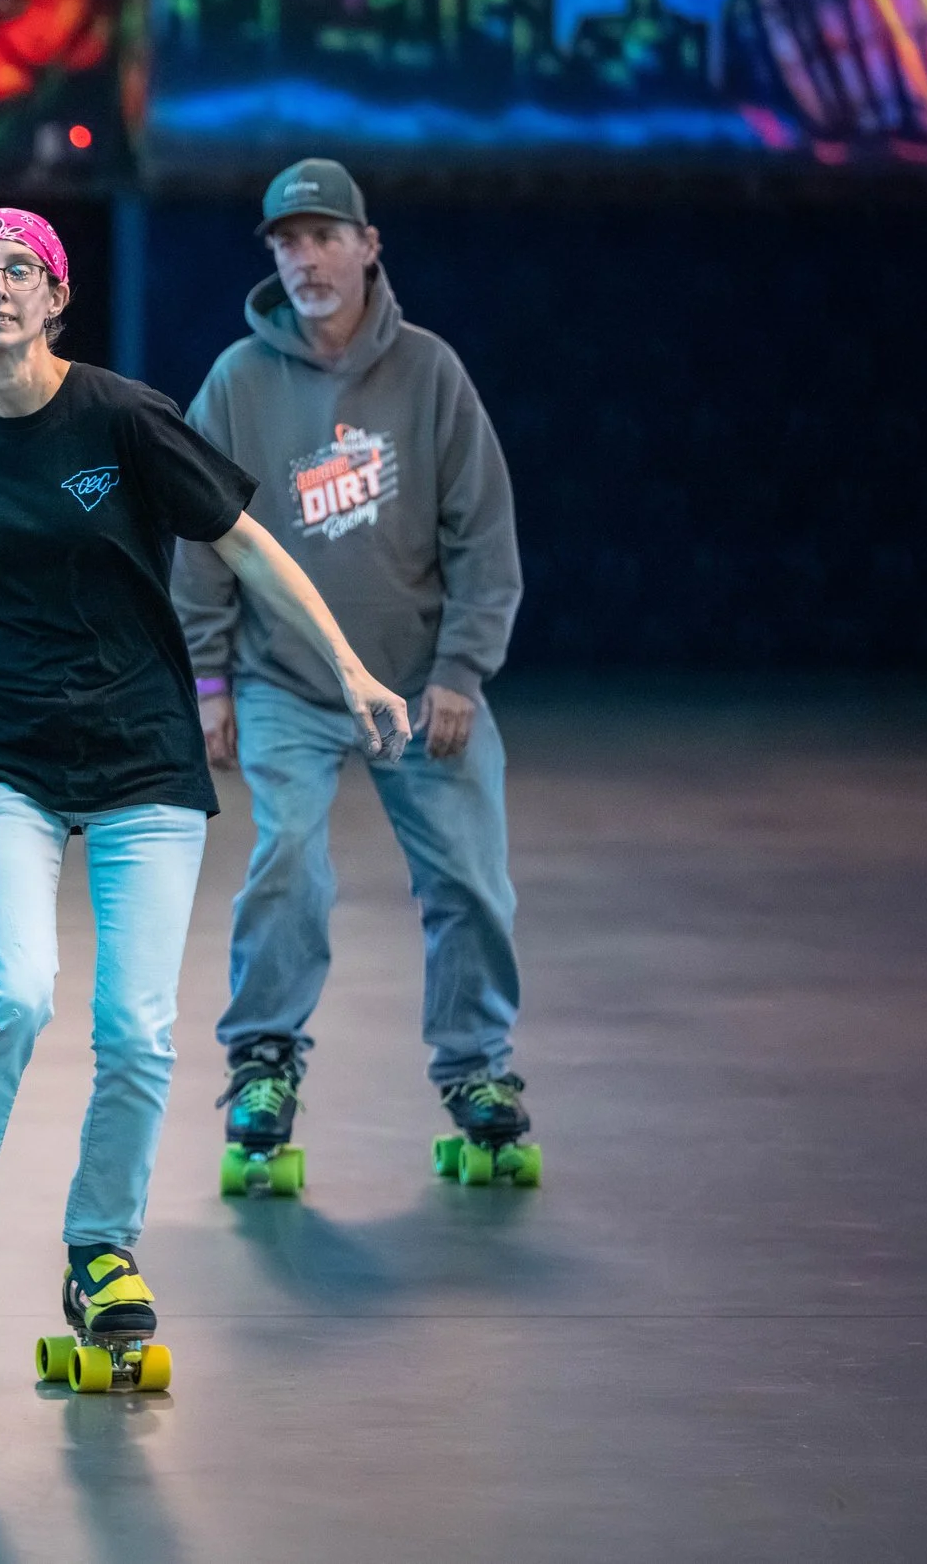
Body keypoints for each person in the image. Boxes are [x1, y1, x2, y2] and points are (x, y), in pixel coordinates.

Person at [0, 208, 409, 1389]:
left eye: (22, 271)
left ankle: (99, 1251)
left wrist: (350, 669)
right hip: (5, 745)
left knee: (137, 1029)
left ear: (55, 301)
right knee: (11, 989)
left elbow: (250, 547)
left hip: (142, 753)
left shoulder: (123, 415)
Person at [172, 159, 531, 1190]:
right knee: (288, 857)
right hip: (285, 678)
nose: (304, 257)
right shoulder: (239, 379)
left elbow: (483, 537)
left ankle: (476, 1070)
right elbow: (201, 538)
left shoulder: (429, 374)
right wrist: (208, 682)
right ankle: (263, 1061)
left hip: (420, 680)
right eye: (285, 241)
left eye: (324, 236)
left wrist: (460, 670)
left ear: (368, 246)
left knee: (468, 877)